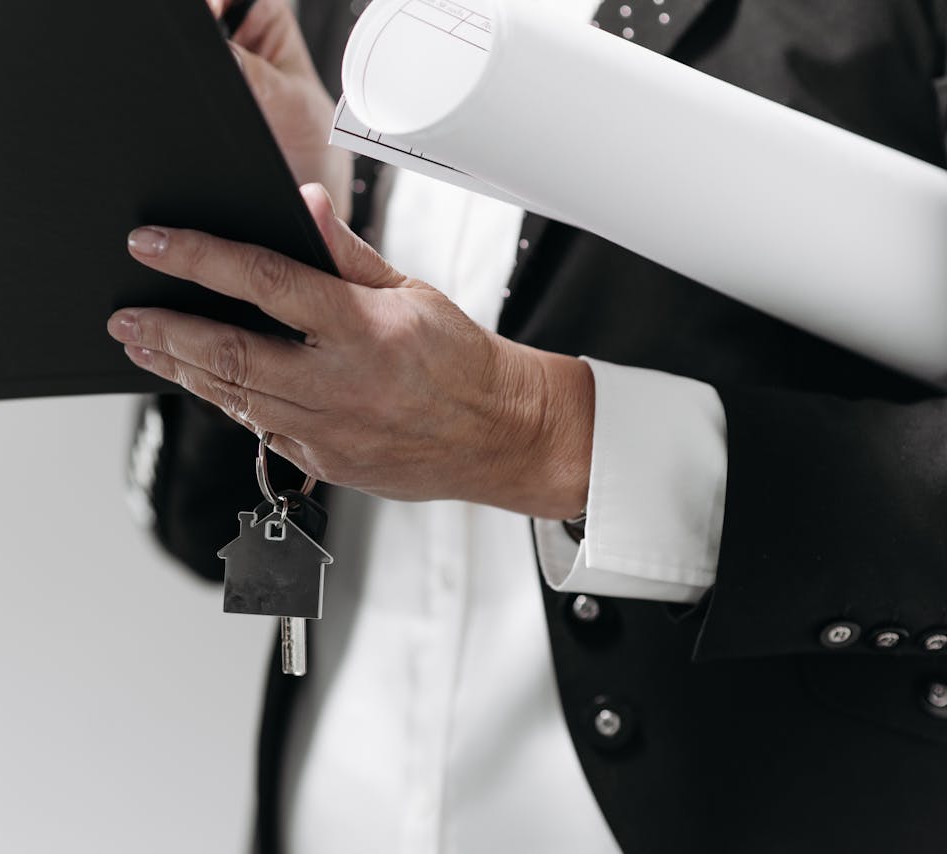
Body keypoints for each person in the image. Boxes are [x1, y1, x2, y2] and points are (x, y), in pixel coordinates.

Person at [113, 1, 947, 852]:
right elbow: (201, 525)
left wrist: (555, 439)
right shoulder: (307, 10)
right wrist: (277, 223)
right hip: (324, 808)